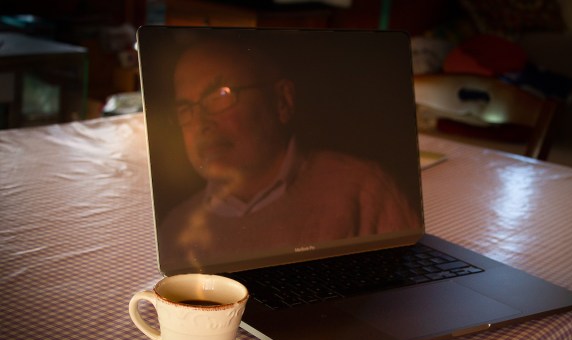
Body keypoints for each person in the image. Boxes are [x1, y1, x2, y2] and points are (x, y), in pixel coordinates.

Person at [159, 38, 421, 270]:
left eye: (219, 95)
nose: (201, 123)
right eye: (186, 110)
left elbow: (410, 282)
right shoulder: (175, 230)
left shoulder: (362, 189)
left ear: (282, 101)